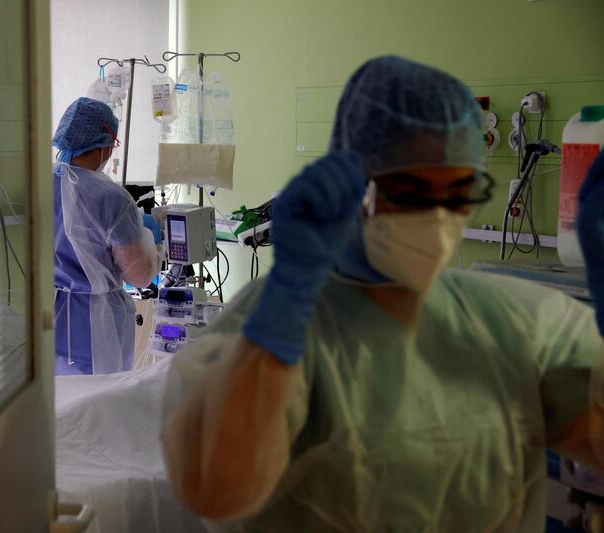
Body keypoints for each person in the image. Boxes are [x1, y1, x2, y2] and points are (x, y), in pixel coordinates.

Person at [161, 55, 604, 531]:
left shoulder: (515, 323)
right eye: (411, 192)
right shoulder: (270, 321)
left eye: (457, 194)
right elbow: (213, 485)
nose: (437, 217)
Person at [53, 97, 162, 375]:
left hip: (46, 320)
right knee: (99, 408)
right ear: (106, 144)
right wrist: (150, 237)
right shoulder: (111, 197)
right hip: (95, 325)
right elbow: (139, 276)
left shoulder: (37, 183)